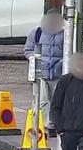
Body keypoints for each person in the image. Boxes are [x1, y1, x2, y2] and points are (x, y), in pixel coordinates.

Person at [24, 8, 64, 137]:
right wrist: (35, 60)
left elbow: (70, 50)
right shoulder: (37, 32)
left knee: (56, 101)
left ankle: (52, 124)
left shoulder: (66, 34)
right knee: (43, 100)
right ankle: (46, 126)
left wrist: (61, 64)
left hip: (58, 74)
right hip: (41, 73)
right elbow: (28, 50)